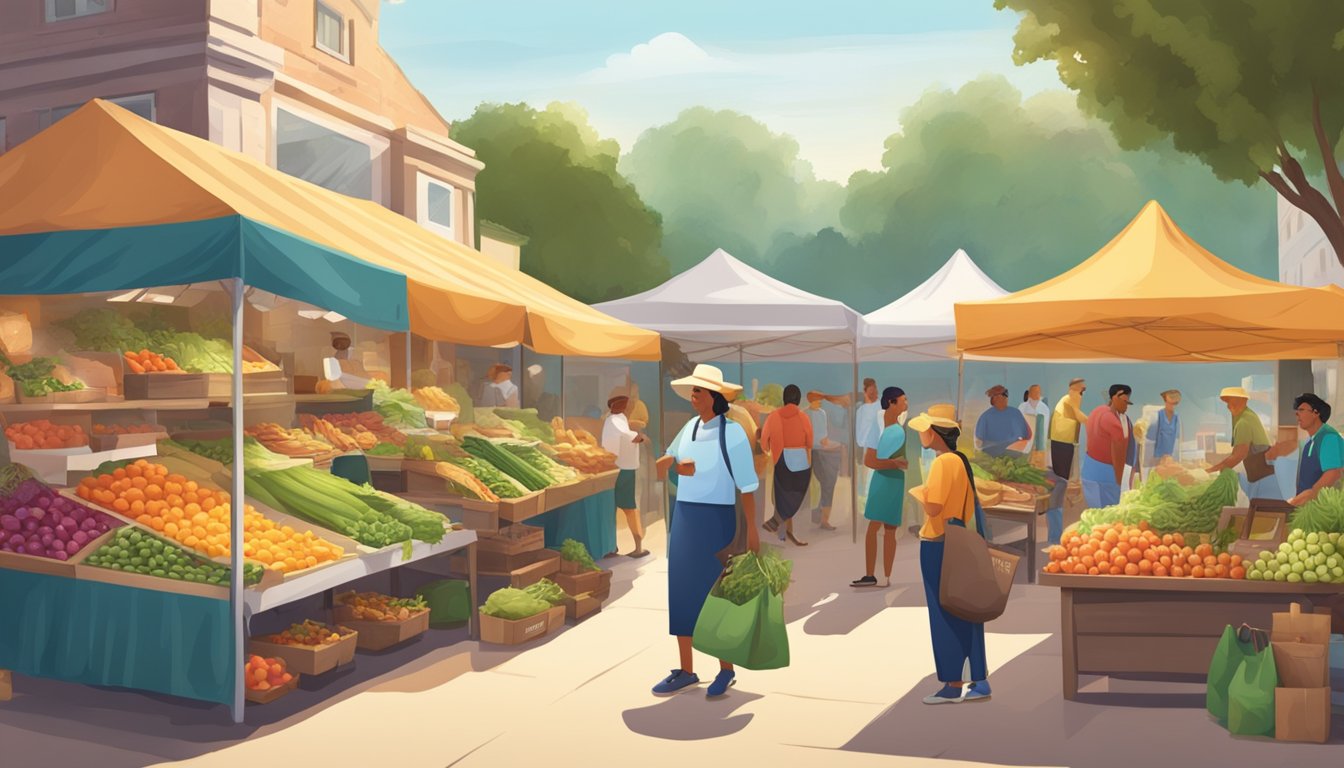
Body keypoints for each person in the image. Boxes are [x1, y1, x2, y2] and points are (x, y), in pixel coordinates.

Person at [653, 364, 759, 699]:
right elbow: (669, 459)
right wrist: (668, 465)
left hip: (718, 519)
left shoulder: (733, 433)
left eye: (698, 391)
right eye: (692, 391)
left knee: (717, 596)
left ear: (714, 396)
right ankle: (686, 669)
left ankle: (725, 670)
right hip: (685, 516)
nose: (693, 397)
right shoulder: (689, 427)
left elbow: (747, 486)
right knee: (682, 592)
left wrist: (753, 531)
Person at [909, 407, 990, 705]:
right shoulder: (960, 461)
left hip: (939, 542)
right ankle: (979, 681)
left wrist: (919, 492)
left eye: (924, 429)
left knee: (943, 613)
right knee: (968, 611)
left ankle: (953, 684)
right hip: (961, 541)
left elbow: (934, 508)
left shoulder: (942, 463)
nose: (920, 434)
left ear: (934, 433)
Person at [851, 386, 909, 588]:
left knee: (890, 529)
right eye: (903, 400)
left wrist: (896, 464)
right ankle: (870, 574)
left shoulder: (899, 425)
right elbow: (870, 460)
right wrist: (894, 463)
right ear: (892, 402)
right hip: (884, 479)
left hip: (895, 481)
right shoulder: (878, 424)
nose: (906, 404)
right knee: (874, 526)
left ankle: (885, 576)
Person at [760, 384, 812, 546]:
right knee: (792, 496)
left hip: (782, 460)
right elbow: (809, 441)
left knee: (782, 495)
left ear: (784, 398)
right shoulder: (804, 417)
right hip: (801, 462)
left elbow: (764, 441)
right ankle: (785, 530)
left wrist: (769, 451)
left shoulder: (774, 416)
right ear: (797, 399)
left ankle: (779, 526)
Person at [1209, 386, 1282, 501]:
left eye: (1235, 402)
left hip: (1263, 478)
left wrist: (1212, 471)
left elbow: (1239, 455)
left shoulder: (1244, 422)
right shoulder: (1247, 416)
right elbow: (1237, 452)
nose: (1230, 406)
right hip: (1260, 475)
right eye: (1229, 402)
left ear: (1244, 402)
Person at [1270, 393, 1344, 506]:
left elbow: (1332, 474)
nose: (1297, 414)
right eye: (1297, 410)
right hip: (1306, 508)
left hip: (1325, 511)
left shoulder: (1329, 437)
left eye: (1302, 410)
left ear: (1316, 413)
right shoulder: (1308, 443)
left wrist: (1303, 499)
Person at [602, 392, 649, 558]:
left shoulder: (613, 419)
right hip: (622, 469)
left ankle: (611, 546)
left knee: (612, 508)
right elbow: (632, 437)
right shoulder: (616, 420)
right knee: (629, 508)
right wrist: (641, 436)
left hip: (616, 467)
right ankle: (638, 547)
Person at [1045, 378, 1088, 548]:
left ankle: (1055, 535)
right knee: (1060, 484)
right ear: (1074, 389)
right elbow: (1080, 417)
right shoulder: (1070, 399)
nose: (1081, 394)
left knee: (1060, 484)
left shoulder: (1069, 399)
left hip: (1063, 442)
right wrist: (1095, 421)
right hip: (1062, 443)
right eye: (1080, 390)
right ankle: (1055, 537)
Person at [1081, 385, 1135, 510]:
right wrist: (1120, 481)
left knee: (1095, 516)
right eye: (1124, 402)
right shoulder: (1113, 421)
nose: (1126, 406)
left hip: (1089, 473)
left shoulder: (1096, 411)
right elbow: (1119, 453)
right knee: (1108, 518)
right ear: (1114, 398)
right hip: (1106, 477)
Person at [806, 391, 842, 531]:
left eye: (820, 399)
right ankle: (815, 515)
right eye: (817, 399)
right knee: (815, 484)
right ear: (810, 401)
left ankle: (823, 520)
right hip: (811, 452)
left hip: (822, 451)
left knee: (827, 482)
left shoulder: (822, 413)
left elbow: (824, 435)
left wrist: (831, 444)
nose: (820, 402)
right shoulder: (805, 414)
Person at [974, 385, 1031, 457]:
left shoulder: (1015, 413)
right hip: (993, 453)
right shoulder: (985, 417)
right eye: (1003, 395)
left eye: (1006, 395)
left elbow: (1028, 436)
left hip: (1012, 452)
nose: (1006, 397)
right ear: (994, 398)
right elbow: (979, 441)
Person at [855, 378, 882, 503]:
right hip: (868, 450)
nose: (874, 392)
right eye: (871, 390)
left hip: (882, 449)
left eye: (875, 389)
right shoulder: (861, 410)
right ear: (865, 392)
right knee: (868, 486)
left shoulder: (882, 406)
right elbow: (859, 438)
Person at [1018, 385, 1051, 469]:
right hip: (1025, 441)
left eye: (1038, 392)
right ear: (1029, 394)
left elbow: (1045, 427)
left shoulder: (1044, 408)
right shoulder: (1022, 407)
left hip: (1039, 443)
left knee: (1039, 466)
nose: (1037, 394)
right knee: (1025, 464)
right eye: (1034, 392)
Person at [1150, 389, 1182, 463]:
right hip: (1158, 455)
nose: (1173, 406)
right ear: (1166, 402)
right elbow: (1151, 437)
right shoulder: (1158, 415)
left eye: (1175, 403)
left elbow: (1177, 437)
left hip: (1171, 455)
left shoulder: (1176, 417)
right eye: (1171, 403)